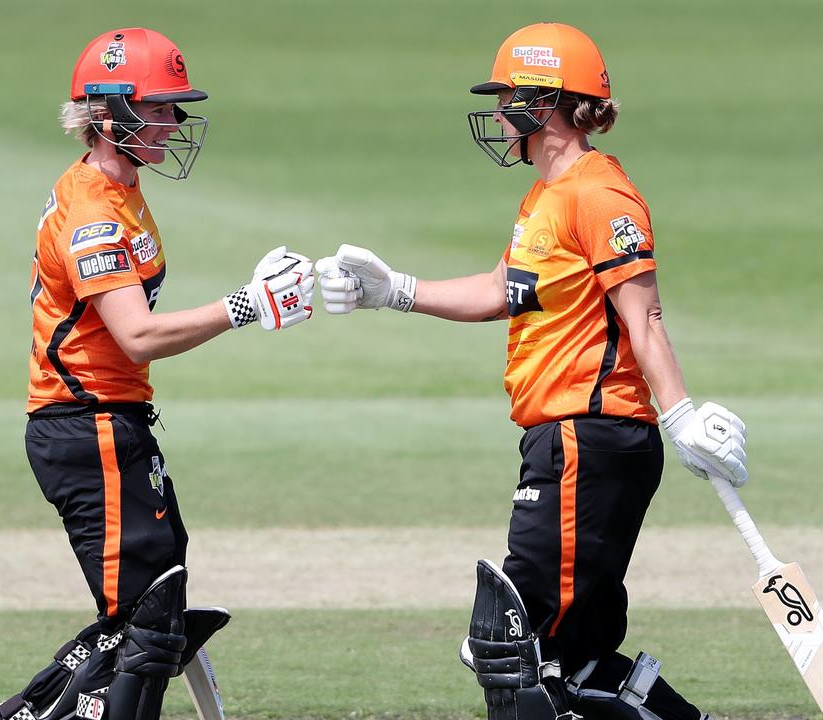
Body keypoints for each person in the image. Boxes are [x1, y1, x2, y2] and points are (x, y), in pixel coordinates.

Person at [316, 22, 747, 720]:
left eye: (506, 97)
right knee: (566, 658)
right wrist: (392, 290)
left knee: (511, 647)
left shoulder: (600, 195)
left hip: (590, 436)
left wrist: (680, 416)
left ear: (544, 103)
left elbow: (644, 318)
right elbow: (498, 291)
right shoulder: (544, 198)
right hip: (563, 440)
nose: (494, 113)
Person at [0, 27, 314, 720]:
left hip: (106, 424)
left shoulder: (119, 190)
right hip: (85, 425)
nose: (172, 124)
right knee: (144, 621)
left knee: (153, 609)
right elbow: (138, 335)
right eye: (155, 109)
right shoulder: (94, 213)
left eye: (173, 109)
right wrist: (248, 305)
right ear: (106, 114)